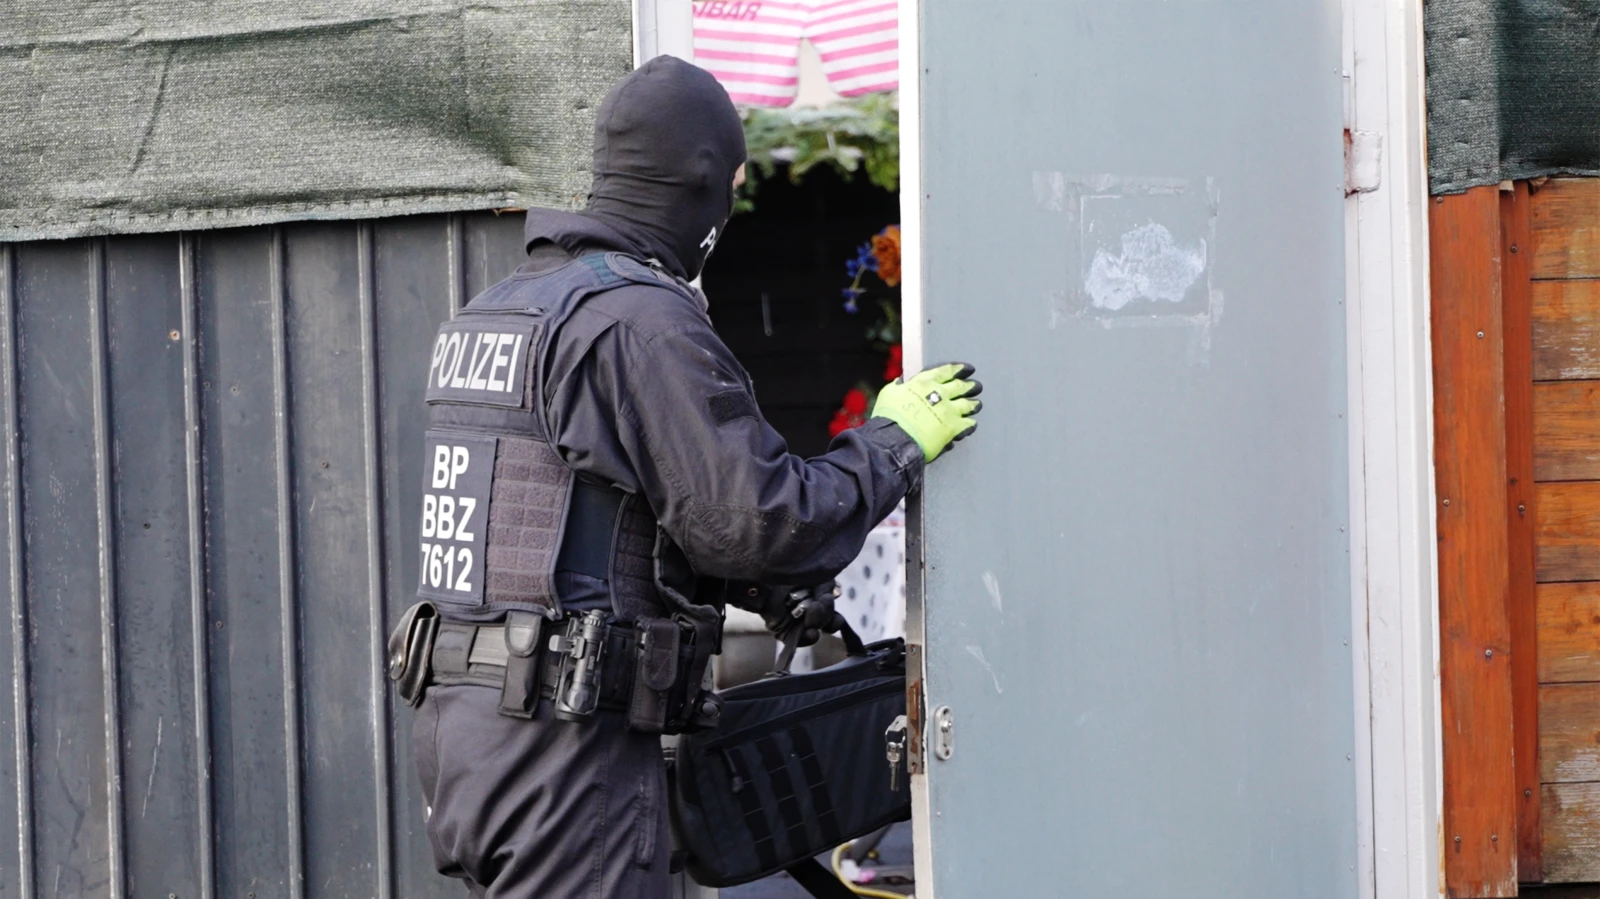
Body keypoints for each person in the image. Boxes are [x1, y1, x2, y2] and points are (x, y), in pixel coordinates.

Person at [387, 55, 984, 899]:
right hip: (569, 754)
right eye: (734, 184)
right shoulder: (637, 320)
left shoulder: (504, 312)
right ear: (703, 181)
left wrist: (759, 594)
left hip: (475, 739)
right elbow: (762, 519)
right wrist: (892, 443)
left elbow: (588, 524)